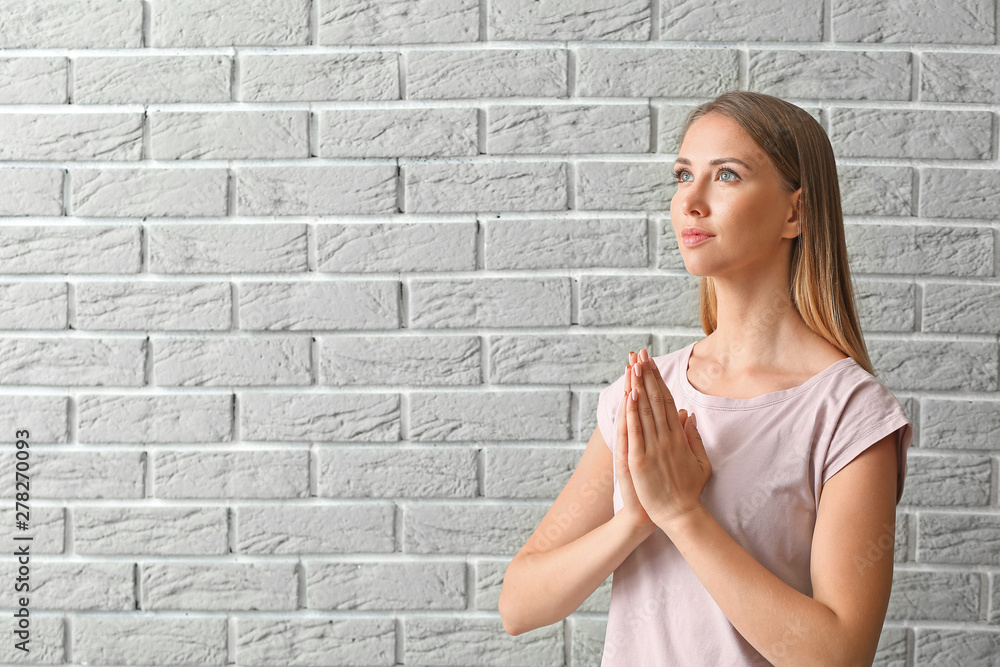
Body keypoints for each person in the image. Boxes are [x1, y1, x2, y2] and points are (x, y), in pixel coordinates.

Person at [497, 90, 912, 666]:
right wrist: (636, 520)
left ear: (796, 212)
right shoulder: (645, 395)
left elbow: (839, 655)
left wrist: (681, 514)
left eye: (727, 176)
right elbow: (519, 605)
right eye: (683, 174)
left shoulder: (850, 414)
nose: (690, 200)